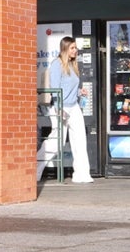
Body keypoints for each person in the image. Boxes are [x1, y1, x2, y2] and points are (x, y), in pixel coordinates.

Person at [36, 36, 93, 183]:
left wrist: (80, 92)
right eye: (72, 48)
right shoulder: (57, 64)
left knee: (80, 140)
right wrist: (59, 108)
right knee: (57, 142)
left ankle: (82, 175)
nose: (76, 50)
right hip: (61, 107)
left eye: (76, 47)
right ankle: (35, 168)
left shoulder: (73, 65)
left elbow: (70, 87)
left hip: (74, 107)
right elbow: (55, 89)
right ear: (65, 48)